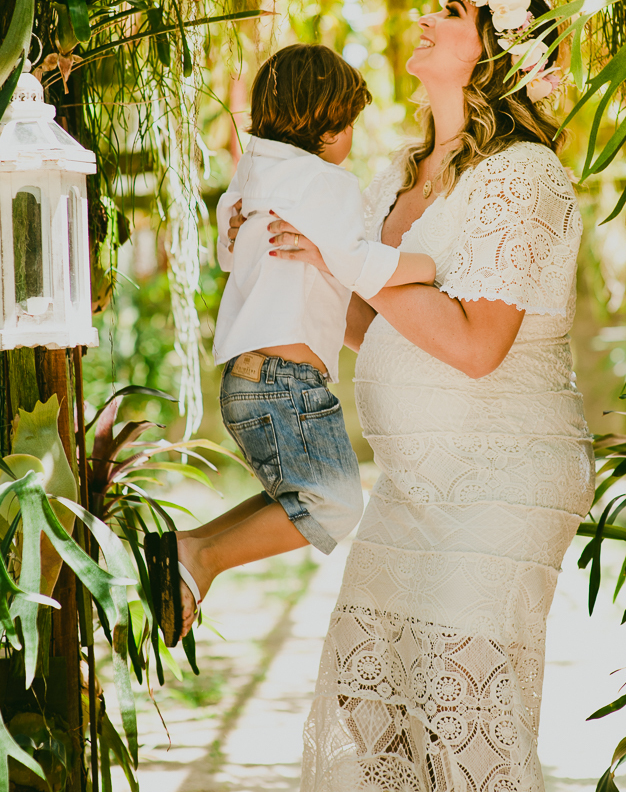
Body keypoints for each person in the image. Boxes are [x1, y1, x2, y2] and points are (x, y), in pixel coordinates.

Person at [236, 0, 596, 792]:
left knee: (458, 697)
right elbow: (366, 320)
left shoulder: (525, 176)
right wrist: (282, 252)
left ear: (497, 52)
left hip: (503, 474)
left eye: (451, 11)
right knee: (369, 702)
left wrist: (349, 256)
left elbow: (476, 344)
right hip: (410, 489)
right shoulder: (403, 176)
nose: (424, 18)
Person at [145, 44, 436, 648]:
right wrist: (430, 263)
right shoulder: (326, 183)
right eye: (350, 122)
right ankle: (200, 557)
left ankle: (187, 551)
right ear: (327, 127)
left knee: (303, 498)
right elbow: (359, 265)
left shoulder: (252, 174)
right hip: (284, 383)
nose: (352, 136)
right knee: (335, 507)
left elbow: (228, 254)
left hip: (248, 383)